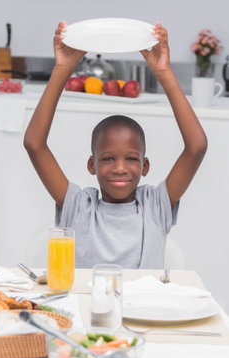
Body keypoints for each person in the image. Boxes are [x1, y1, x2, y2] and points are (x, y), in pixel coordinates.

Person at [23, 22, 207, 269]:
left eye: (131, 159)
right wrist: (62, 69)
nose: (120, 168)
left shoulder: (155, 205)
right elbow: (34, 144)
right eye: (108, 158)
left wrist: (164, 72)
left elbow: (197, 147)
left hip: (142, 309)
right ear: (92, 165)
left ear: (145, 166)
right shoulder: (78, 206)